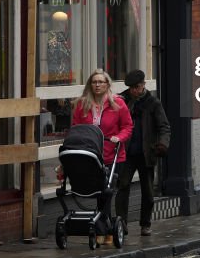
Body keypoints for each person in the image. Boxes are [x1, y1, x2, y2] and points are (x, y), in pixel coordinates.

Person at [71, 69, 133, 245]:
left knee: (106, 194)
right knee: (101, 193)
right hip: (91, 156)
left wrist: (118, 138)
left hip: (112, 155)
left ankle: (102, 230)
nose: (97, 85)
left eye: (101, 82)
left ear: (107, 85)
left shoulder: (118, 104)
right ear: (90, 85)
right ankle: (105, 229)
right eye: (94, 82)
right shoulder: (82, 105)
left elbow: (128, 126)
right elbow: (76, 128)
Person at [115, 70, 170, 237]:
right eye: (132, 88)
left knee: (148, 192)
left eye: (137, 87)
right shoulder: (121, 101)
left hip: (147, 153)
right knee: (122, 187)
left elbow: (164, 127)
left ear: (143, 85)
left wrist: (162, 144)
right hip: (126, 153)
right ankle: (121, 223)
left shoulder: (153, 103)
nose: (134, 91)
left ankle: (145, 224)